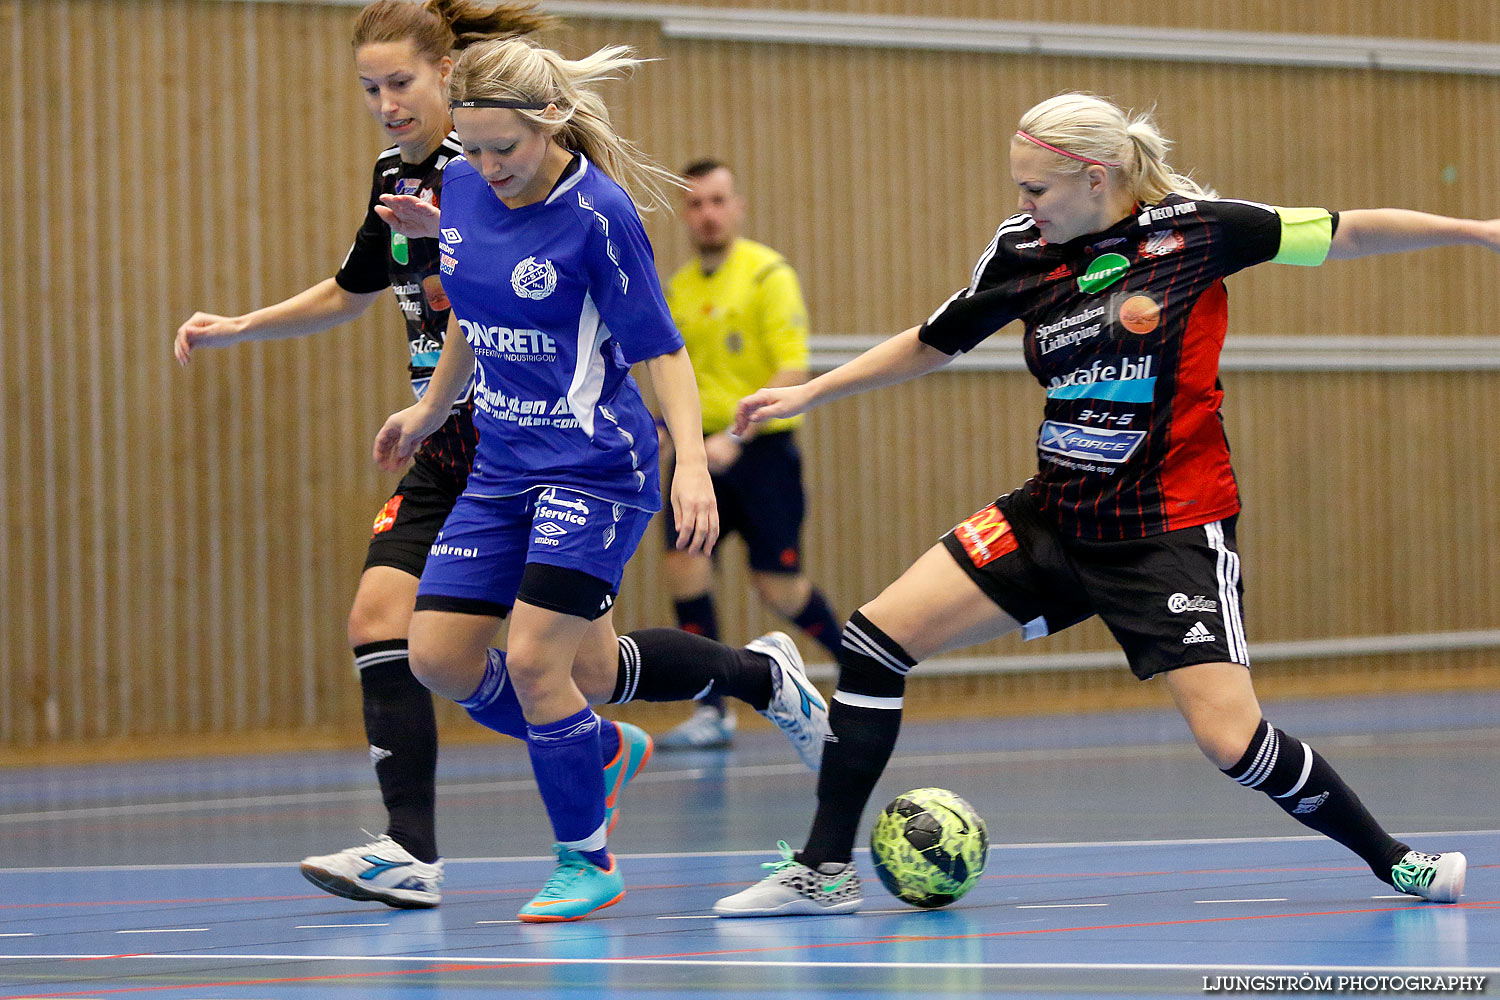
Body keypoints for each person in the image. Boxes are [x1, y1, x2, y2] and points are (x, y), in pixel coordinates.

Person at [714, 92, 1483, 916]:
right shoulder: (1023, 250)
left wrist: (1478, 234)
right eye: (1018, 188)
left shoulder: (1200, 232)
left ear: (1095, 177)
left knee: (1232, 741)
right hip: (1057, 515)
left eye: (1036, 190)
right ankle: (824, 871)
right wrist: (813, 392)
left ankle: (1396, 860)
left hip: (1168, 530)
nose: (1021, 205)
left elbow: (1347, 231)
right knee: (874, 641)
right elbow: (934, 342)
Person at [371, 34, 829, 923]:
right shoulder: (461, 185)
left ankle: (587, 859)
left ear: (552, 124)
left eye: (505, 148)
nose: (488, 165)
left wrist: (691, 462)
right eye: (473, 146)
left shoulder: (602, 216)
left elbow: (661, 349)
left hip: (593, 465)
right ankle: (734, 686)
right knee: (447, 658)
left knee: (542, 666)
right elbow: (471, 303)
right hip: (502, 464)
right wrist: (429, 409)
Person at [173, 0, 562, 910]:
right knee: (377, 621)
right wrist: (240, 325)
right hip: (443, 445)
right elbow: (354, 288)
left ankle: (752, 674)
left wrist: (432, 392)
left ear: (445, 76)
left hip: (524, 445)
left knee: (576, 671)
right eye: (368, 88)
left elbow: (502, 297)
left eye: (400, 83)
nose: (385, 103)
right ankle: (411, 851)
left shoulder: (491, 164)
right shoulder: (395, 170)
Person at [654, 160, 843, 750]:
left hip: (760, 453)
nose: (707, 214)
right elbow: (671, 373)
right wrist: (667, 433)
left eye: (717, 201)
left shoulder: (767, 275)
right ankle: (712, 709)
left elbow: (793, 366)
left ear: (736, 206)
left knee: (777, 585)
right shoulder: (678, 288)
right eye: (696, 204)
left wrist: (733, 437)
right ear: (686, 214)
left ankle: (861, 668)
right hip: (695, 459)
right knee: (685, 569)